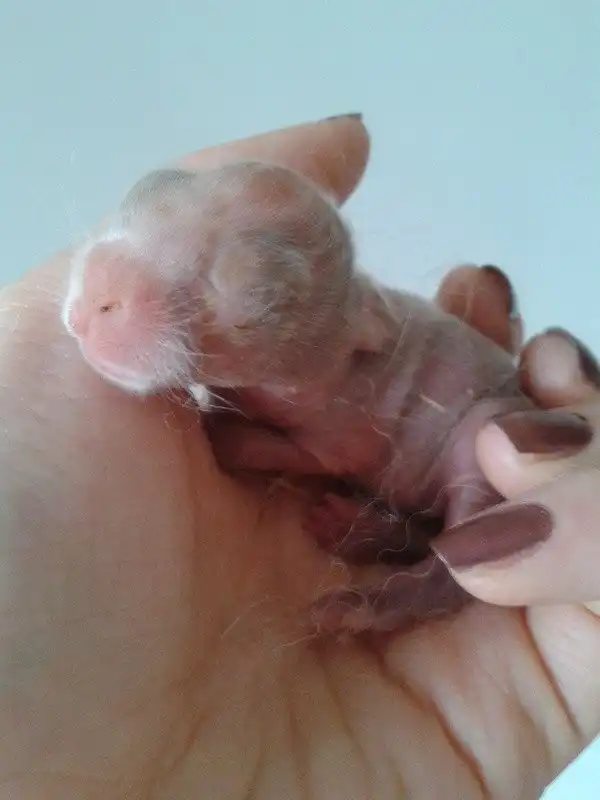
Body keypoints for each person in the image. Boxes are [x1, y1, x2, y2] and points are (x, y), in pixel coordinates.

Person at [0, 113, 598, 799]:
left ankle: (427, 580)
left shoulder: (328, 367)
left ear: (344, 332)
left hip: (456, 438)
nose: (93, 303)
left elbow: (334, 450)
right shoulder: (294, 353)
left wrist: (247, 447)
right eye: (144, 214)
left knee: (491, 451)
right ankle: (403, 533)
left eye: (234, 296)